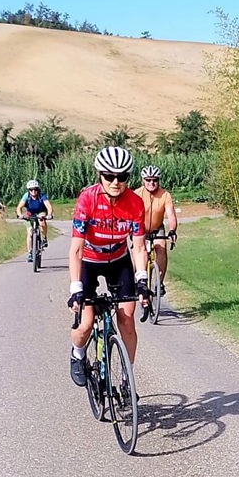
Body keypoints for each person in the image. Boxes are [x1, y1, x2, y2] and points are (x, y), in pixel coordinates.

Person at [67, 146, 149, 388]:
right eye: (109, 176)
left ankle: (127, 378)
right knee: (85, 324)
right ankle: (77, 354)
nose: (116, 182)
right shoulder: (87, 199)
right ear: (99, 175)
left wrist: (142, 279)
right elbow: (76, 250)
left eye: (122, 177)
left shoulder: (135, 203)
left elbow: (139, 247)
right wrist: (75, 288)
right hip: (90, 261)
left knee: (127, 319)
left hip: (119, 260)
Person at [134, 165, 178, 296]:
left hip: (157, 228)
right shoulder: (137, 194)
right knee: (136, 254)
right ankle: (137, 281)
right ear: (143, 180)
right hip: (140, 229)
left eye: (155, 180)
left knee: (161, 248)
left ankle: (159, 283)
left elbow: (171, 215)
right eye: (148, 180)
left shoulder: (165, 195)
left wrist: (172, 230)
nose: (152, 183)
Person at [15, 180, 53, 262]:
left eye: (35, 189)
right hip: (30, 213)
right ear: (28, 190)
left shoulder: (41, 196)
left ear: (38, 189)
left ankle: (44, 238)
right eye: (31, 190)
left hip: (40, 212)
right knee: (30, 233)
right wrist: (20, 215)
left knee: (42, 221)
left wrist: (49, 214)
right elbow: (19, 207)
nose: (33, 191)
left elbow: (49, 206)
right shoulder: (26, 196)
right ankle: (30, 253)